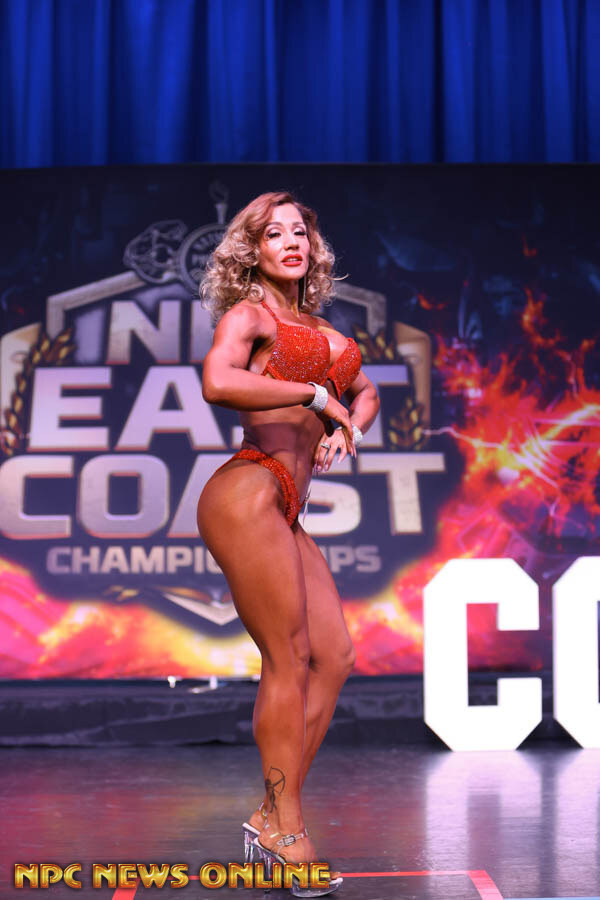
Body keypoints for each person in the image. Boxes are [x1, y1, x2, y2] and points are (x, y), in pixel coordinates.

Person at [197, 191, 380, 896]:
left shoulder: (324, 330)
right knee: (291, 655)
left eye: (299, 231)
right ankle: (289, 830)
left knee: (335, 657)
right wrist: (313, 399)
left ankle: (271, 816)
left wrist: (347, 426)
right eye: (273, 234)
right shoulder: (250, 316)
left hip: (286, 505)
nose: (291, 242)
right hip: (247, 491)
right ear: (253, 251)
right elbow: (217, 381)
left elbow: (364, 391)